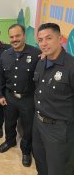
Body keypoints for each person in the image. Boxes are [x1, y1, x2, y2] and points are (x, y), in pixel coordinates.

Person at [0, 23, 41, 167]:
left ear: (24, 36)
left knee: (28, 127)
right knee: (9, 122)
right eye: (11, 36)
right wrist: (0, 94)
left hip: (28, 98)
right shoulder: (5, 54)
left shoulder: (36, 54)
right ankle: (9, 141)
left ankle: (26, 151)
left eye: (18, 36)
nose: (14, 39)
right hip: (9, 96)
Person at [33, 23, 74, 175]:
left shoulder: (71, 66)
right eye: (40, 40)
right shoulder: (41, 63)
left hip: (59, 130)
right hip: (38, 124)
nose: (44, 43)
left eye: (48, 38)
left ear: (60, 38)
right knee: (41, 164)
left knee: (59, 170)